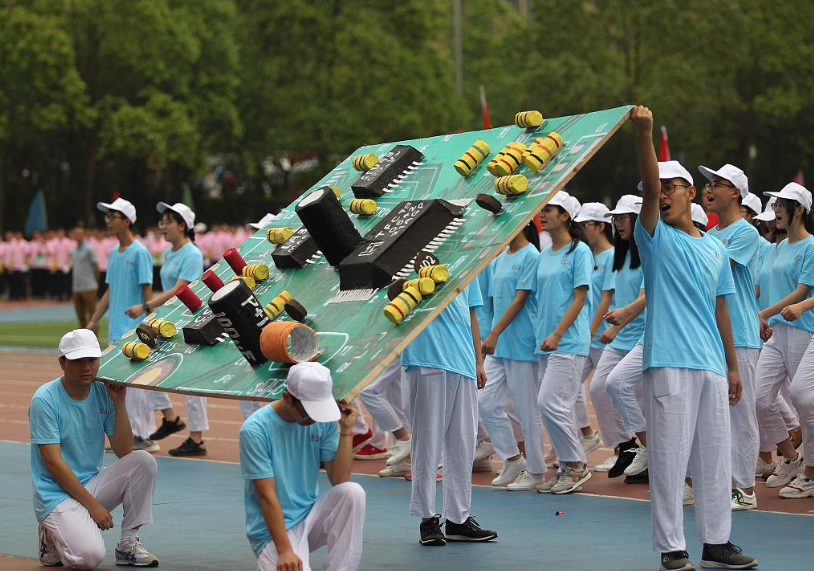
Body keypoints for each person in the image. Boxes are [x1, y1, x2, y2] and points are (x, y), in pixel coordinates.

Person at [631, 105, 757, 571]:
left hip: (709, 364)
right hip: (668, 360)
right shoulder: (653, 238)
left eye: (671, 188)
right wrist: (645, 134)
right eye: (658, 188)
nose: (662, 194)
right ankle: (672, 547)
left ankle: (717, 542)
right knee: (668, 458)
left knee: (713, 458)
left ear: (689, 195)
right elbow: (646, 186)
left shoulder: (714, 248)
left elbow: (722, 307)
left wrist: (732, 365)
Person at [30, 329, 158, 569]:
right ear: (62, 363)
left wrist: (119, 403)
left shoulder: (103, 392)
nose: (86, 367)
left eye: (91, 359)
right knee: (90, 558)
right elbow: (54, 464)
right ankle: (51, 536)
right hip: (55, 494)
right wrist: (93, 506)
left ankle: (128, 544)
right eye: (77, 360)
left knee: (143, 461)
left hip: (91, 482)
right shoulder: (45, 399)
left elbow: (124, 450)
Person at [239, 362, 365, 571]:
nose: (313, 418)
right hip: (273, 530)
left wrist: (346, 431)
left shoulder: (321, 421)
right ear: (287, 397)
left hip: (310, 515)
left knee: (353, 492)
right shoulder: (254, 430)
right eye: (307, 412)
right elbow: (266, 496)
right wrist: (285, 550)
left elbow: (340, 480)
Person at [402, 280, 498, 546]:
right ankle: (427, 519)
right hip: (426, 356)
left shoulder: (467, 260)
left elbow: (471, 313)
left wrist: (478, 360)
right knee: (428, 442)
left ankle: (458, 519)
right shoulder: (409, 253)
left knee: (463, 443)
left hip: (464, 361)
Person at [701, 164, 762, 510]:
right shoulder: (709, 236)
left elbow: (715, 270)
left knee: (742, 411)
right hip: (713, 334)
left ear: (735, 192)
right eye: (708, 184)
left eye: (717, 185)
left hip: (739, 332)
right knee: (716, 411)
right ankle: (720, 482)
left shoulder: (746, 233)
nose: (709, 190)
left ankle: (747, 489)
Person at [126, 202, 208, 457]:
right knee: (152, 368)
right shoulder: (171, 253)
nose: (163, 227)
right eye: (162, 222)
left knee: (191, 378)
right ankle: (170, 417)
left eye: (168, 222)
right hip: (167, 321)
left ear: (182, 225)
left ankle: (197, 439)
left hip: (188, 320)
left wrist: (147, 306)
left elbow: (180, 290)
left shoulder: (192, 254)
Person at [531, 191, 593, 495]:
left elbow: (580, 297)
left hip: (568, 341)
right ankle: (569, 466)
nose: (543, 215)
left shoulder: (579, 252)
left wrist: (557, 333)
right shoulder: (545, 254)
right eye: (542, 210)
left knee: (549, 402)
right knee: (554, 406)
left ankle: (576, 465)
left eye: (549, 210)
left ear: (565, 215)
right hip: (546, 342)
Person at [754, 183, 814, 494]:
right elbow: (760, 288)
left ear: (800, 210)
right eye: (775, 203)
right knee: (759, 397)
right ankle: (790, 458)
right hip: (775, 333)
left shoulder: (811, 246)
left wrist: (762, 313)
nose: (775, 209)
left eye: (782, 204)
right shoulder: (774, 249)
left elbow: (801, 293)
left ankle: (811, 474)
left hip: (803, 330)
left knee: (804, 401)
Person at [87, 198, 157, 452]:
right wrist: (94, 320)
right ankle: (127, 434)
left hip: (134, 329)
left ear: (126, 220)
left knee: (136, 387)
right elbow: (110, 290)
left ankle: (144, 434)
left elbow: (147, 291)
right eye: (107, 216)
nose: (107, 221)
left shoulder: (140, 252)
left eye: (112, 216)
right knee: (114, 385)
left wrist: (149, 325)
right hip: (115, 329)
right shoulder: (115, 254)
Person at [478, 223, 543, 490]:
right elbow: (495, 302)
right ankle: (513, 458)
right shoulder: (500, 259)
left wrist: (493, 333)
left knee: (527, 411)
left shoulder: (532, 256)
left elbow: (520, 299)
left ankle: (537, 471)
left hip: (522, 343)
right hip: (500, 345)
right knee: (485, 401)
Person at [588, 195, 644, 474]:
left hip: (641, 337)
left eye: (623, 218)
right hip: (621, 337)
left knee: (634, 393)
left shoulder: (647, 253)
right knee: (599, 388)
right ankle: (627, 444)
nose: (618, 223)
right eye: (615, 218)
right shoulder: (619, 257)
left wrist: (616, 324)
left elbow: (646, 298)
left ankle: (647, 450)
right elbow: (612, 298)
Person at [71, 227, 100, 328]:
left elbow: (96, 266)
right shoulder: (74, 250)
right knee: (81, 316)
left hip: (89, 286)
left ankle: (94, 339)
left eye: (79, 234)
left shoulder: (89, 249)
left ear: (84, 235)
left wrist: (95, 281)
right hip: (77, 287)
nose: (77, 236)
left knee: (92, 316)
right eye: (75, 234)